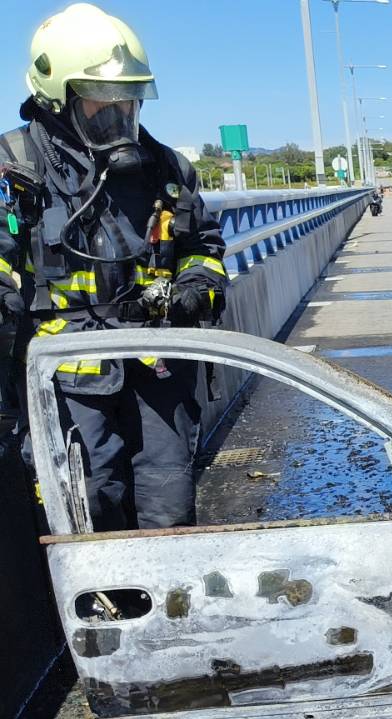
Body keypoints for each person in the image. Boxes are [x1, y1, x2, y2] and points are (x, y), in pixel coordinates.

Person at [0, 3, 227, 531]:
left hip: (158, 372)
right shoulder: (16, 172)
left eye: (127, 101)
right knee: (87, 510)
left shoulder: (167, 169)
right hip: (66, 383)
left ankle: (169, 585)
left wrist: (195, 286)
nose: (118, 115)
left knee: (169, 506)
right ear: (55, 98)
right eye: (101, 103)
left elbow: (205, 247)